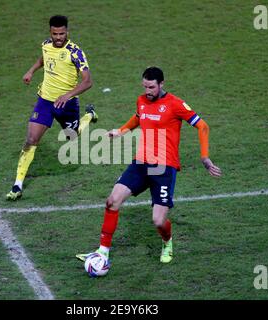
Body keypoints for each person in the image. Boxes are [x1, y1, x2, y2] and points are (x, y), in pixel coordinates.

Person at [76, 67, 221, 264]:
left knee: (158, 221)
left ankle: (167, 241)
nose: (147, 91)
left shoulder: (175, 104)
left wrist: (205, 157)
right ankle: (102, 252)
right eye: (145, 86)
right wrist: (121, 131)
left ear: (162, 84)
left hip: (164, 167)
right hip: (141, 163)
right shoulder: (142, 100)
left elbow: (202, 125)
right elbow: (138, 117)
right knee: (112, 201)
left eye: (151, 87)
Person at [6, 15, 97, 200]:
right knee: (31, 139)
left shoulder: (75, 52)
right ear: (50, 32)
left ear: (67, 32)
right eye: (55, 33)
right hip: (45, 101)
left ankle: (88, 115)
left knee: (71, 135)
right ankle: (17, 185)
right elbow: (43, 59)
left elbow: (88, 82)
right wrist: (31, 71)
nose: (58, 37)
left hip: (68, 104)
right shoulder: (46, 44)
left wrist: (68, 95)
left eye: (62, 33)